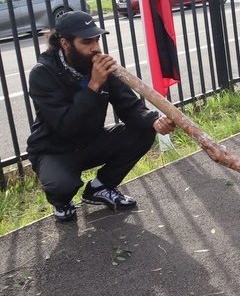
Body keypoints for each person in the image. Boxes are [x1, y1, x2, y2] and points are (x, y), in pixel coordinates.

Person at [26, 11, 176, 222]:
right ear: (65, 44)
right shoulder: (42, 74)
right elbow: (66, 125)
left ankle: (100, 187)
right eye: (86, 41)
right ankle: (62, 201)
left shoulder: (99, 66)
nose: (95, 47)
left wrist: (153, 121)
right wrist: (93, 85)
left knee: (143, 132)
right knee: (62, 186)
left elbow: (129, 105)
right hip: (55, 149)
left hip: (91, 141)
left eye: (96, 39)